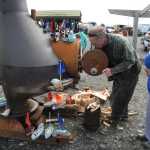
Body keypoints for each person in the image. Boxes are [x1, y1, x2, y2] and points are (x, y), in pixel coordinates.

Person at [88, 27, 141, 126]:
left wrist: (112, 71)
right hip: (118, 72)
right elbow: (99, 57)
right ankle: (123, 116)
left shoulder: (121, 42)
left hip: (131, 71)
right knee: (118, 94)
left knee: (120, 96)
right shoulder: (99, 44)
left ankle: (114, 120)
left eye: (95, 43)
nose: (94, 45)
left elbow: (130, 61)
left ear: (102, 38)